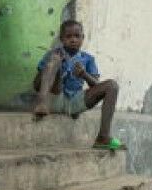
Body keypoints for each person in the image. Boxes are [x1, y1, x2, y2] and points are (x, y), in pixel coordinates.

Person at [33, 20, 121, 149]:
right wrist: (54, 64)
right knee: (54, 61)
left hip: (75, 102)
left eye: (77, 36)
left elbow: (96, 86)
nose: (73, 40)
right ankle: (41, 104)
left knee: (112, 86)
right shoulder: (54, 53)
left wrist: (84, 74)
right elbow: (36, 85)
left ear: (82, 38)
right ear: (61, 39)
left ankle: (103, 137)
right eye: (68, 37)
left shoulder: (88, 59)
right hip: (54, 99)